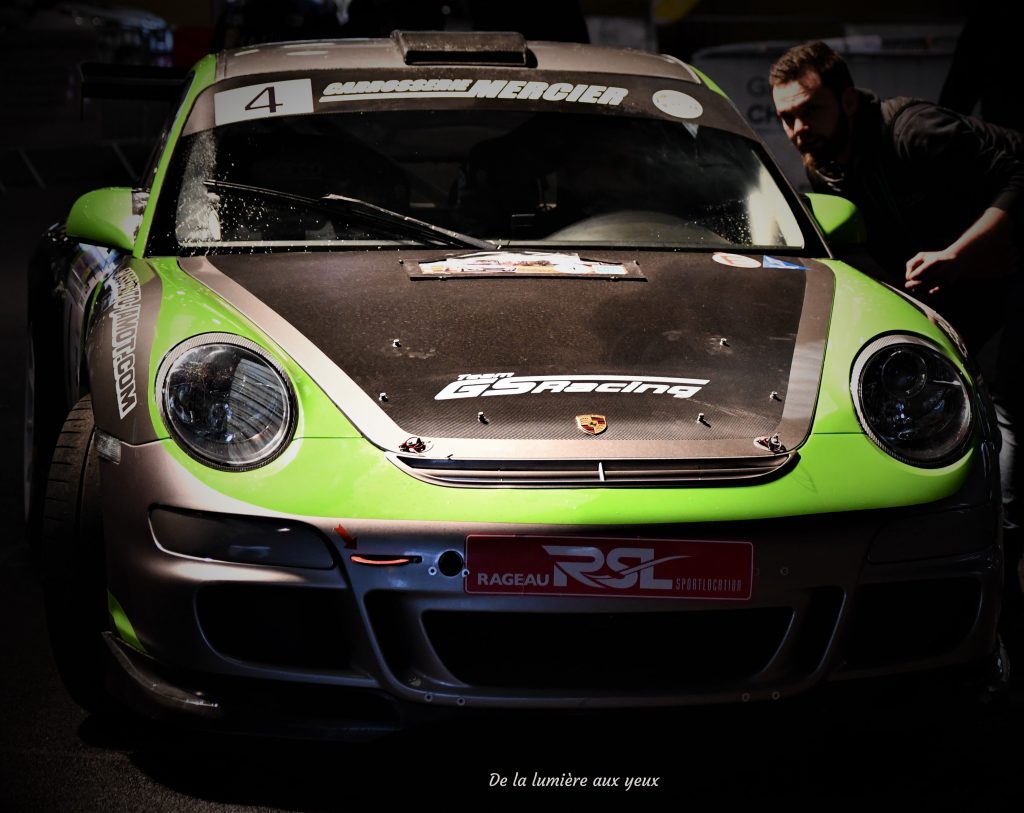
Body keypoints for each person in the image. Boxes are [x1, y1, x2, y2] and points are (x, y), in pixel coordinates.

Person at [769, 40, 1023, 674]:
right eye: (786, 117)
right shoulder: (822, 167)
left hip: (1007, 280)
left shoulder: (917, 132)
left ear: (848, 100)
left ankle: (1003, 607)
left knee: (1008, 434)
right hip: (960, 304)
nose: (799, 128)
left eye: (811, 110)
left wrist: (962, 252)